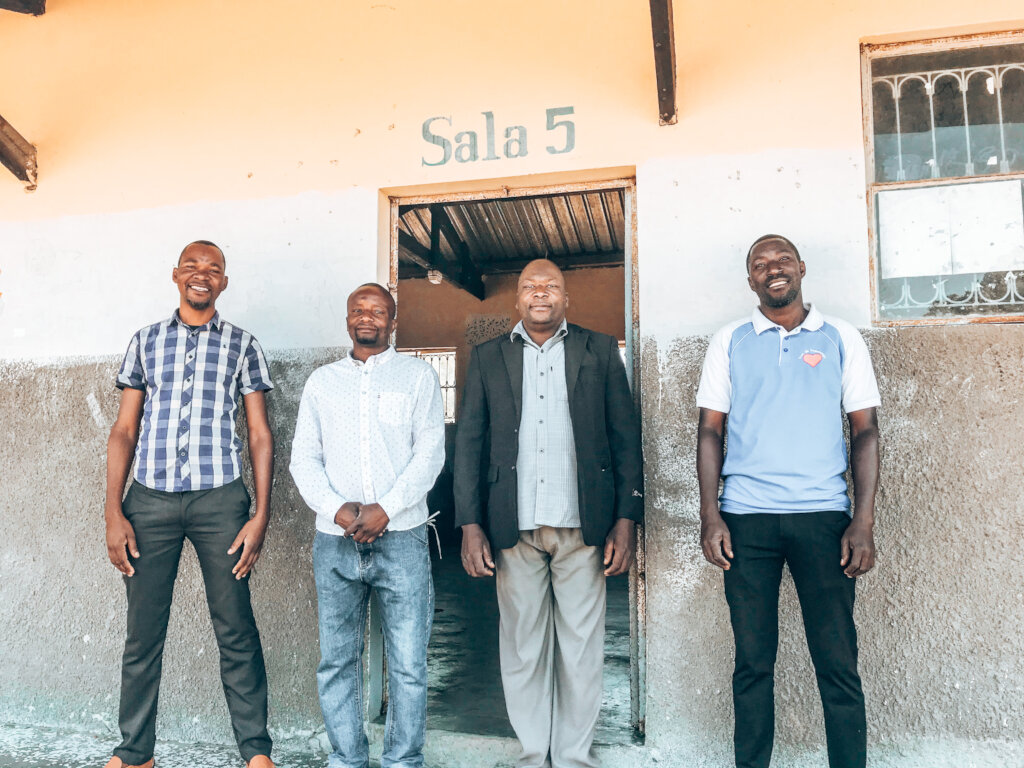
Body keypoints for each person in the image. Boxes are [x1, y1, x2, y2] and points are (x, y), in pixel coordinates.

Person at [696, 234, 881, 768]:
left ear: (801, 267)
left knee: (838, 662)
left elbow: (865, 430)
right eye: (760, 264)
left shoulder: (840, 336)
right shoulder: (730, 340)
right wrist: (712, 515)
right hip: (746, 522)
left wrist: (861, 520)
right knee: (752, 663)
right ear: (750, 279)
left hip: (825, 520)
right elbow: (710, 430)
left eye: (781, 260)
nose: (772, 269)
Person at [453, 259, 643, 768]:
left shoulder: (599, 349)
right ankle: (535, 754)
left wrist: (626, 518)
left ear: (566, 298)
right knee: (522, 647)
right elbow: (469, 442)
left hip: (583, 523)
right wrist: (469, 523)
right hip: (511, 524)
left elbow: (625, 436)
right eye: (530, 287)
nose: (541, 293)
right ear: (516, 300)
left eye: (551, 286)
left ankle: (575, 758)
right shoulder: (489, 355)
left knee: (581, 649)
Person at [103, 241, 276, 768]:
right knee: (143, 634)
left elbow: (259, 434)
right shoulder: (145, 342)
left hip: (220, 501)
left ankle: (255, 753)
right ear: (175, 275)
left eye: (214, 269)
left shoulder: (243, 345)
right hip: (148, 502)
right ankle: (135, 754)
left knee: (236, 627)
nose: (202, 276)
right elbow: (124, 429)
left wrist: (260, 513)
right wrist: (113, 510)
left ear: (224, 282)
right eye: (193, 267)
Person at [290, 283, 444, 768]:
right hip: (334, 543)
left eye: (378, 311)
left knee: (408, 663)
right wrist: (338, 509)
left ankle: (402, 761)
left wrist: (386, 509)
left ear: (393, 322)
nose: (368, 318)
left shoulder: (418, 377)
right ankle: (347, 759)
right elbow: (303, 459)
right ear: (348, 319)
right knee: (337, 661)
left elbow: (429, 454)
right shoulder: (321, 382)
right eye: (359, 310)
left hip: (402, 540)